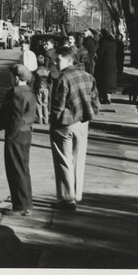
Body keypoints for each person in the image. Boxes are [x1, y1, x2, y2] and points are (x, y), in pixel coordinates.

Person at [49, 45, 100, 211]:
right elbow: (95, 101)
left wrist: (55, 120)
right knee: (79, 160)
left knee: (64, 161)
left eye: (58, 59)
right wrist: (88, 115)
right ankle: (77, 195)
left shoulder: (62, 78)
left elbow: (58, 105)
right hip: (83, 123)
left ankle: (68, 199)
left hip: (64, 124)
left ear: (69, 60)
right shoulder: (88, 76)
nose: (55, 62)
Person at [0, 63, 37, 216]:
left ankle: (20, 206)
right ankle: (26, 204)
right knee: (23, 169)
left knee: (15, 170)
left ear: (16, 77)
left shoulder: (16, 93)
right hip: (26, 133)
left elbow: (13, 116)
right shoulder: (30, 92)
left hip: (15, 134)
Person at [95, 29, 118, 105]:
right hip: (113, 64)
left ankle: (104, 98)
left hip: (104, 64)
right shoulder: (114, 42)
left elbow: (100, 53)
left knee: (104, 81)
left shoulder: (103, 42)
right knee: (110, 81)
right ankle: (109, 97)